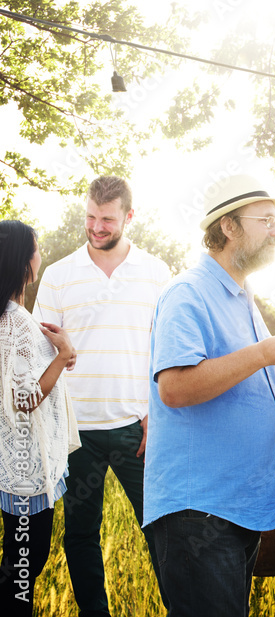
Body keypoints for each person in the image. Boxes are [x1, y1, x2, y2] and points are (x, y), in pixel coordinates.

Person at [144, 174, 275, 617]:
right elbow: (174, 388)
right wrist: (263, 353)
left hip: (236, 505)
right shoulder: (187, 293)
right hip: (199, 509)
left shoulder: (240, 295)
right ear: (229, 227)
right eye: (267, 220)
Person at [32, 176, 170, 616]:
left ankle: (179, 608)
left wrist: (157, 413)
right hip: (75, 432)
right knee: (80, 533)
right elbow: (40, 350)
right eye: (90, 217)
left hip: (138, 426)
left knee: (161, 529)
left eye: (107, 219)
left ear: (129, 217)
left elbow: (167, 348)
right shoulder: (58, 275)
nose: (96, 227)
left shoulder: (156, 272)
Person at [0, 220, 78, 616]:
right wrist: (62, 356)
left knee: (20, 566)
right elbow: (24, 399)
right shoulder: (13, 322)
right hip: (25, 472)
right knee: (21, 571)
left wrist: (59, 355)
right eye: (36, 249)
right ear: (23, 262)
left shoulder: (16, 318)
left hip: (26, 467)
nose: (40, 256)